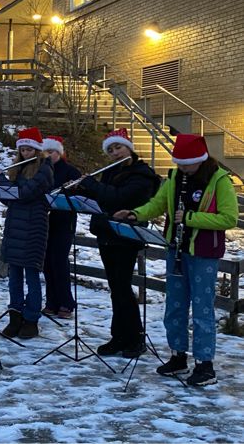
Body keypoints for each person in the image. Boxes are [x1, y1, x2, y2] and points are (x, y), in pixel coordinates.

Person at [114, 134, 237, 386]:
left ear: (200, 160)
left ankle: (205, 364)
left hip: (203, 253)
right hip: (177, 249)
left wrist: (191, 218)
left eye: (187, 164)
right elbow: (158, 204)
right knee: (175, 306)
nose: (182, 168)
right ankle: (178, 356)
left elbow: (229, 218)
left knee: (202, 309)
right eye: (179, 163)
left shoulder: (219, 180)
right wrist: (136, 214)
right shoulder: (174, 178)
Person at [78, 127, 159, 358]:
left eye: (118, 147)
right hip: (107, 234)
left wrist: (94, 186)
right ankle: (119, 336)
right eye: (111, 150)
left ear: (129, 148)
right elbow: (103, 197)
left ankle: (135, 337)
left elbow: (119, 198)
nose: (115, 153)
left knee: (122, 287)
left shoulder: (142, 174)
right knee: (115, 288)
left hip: (126, 237)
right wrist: (82, 189)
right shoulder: (112, 172)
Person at [0, 128, 53, 339]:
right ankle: (15, 316)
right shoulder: (17, 169)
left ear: (37, 149)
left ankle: (31, 319)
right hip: (15, 227)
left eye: (29, 149)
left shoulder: (45, 169)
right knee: (14, 276)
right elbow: (9, 198)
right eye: (22, 149)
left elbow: (25, 194)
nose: (25, 153)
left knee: (31, 276)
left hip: (34, 227)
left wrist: (1, 182)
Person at [41, 136, 81, 319]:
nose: (48, 156)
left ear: (59, 152)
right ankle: (51, 301)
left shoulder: (70, 171)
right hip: (45, 221)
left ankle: (66, 302)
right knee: (47, 263)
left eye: (52, 152)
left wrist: (71, 190)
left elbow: (80, 196)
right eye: (46, 152)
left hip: (64, 221)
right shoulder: (41, 170)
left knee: (59, 261)